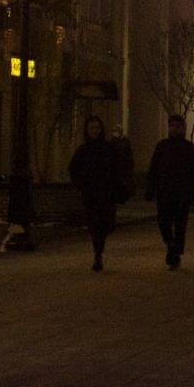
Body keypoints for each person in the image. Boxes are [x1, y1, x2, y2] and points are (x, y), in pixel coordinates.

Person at [68, 116, 130, 271]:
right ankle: (98, 254)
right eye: (91, 128)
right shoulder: (83, 150)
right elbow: (73, 169)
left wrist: (117, 184)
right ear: (87, 131)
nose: (94, 131)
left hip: (107, 193)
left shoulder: (109, 148)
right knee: (94, 224)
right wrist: (81, 185)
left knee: (106, 223)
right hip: (91, 193)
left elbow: (118, 168)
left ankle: (99, 249)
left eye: (97, 128)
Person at [146, 114, 194, 270]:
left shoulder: (190, 149)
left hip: (182, 193)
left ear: (183, 128)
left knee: (179, 224)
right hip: (164, 191)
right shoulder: (162, 146)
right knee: (163, 221)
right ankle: (170, 244)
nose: (174, 129)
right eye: (172, 126)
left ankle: (175, 252)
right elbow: (154, 169)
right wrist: (150, 189)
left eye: (177, 126)